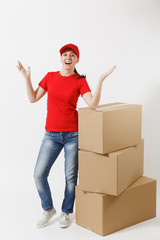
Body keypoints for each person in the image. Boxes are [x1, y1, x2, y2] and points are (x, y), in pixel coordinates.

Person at [17, 43, 116, 229]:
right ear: (61, 58)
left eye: (72, 55)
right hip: (51, 136)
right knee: (39, 174)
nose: (68, 57)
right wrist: (26, 78)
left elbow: (93, 104)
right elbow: (32, 98)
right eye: (64, 54)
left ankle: (66, 212)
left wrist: (101, 80)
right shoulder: (50, 77)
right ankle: (48, 210)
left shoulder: (79, 80)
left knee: (70, 178)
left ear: (77, 59)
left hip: (73, 135)